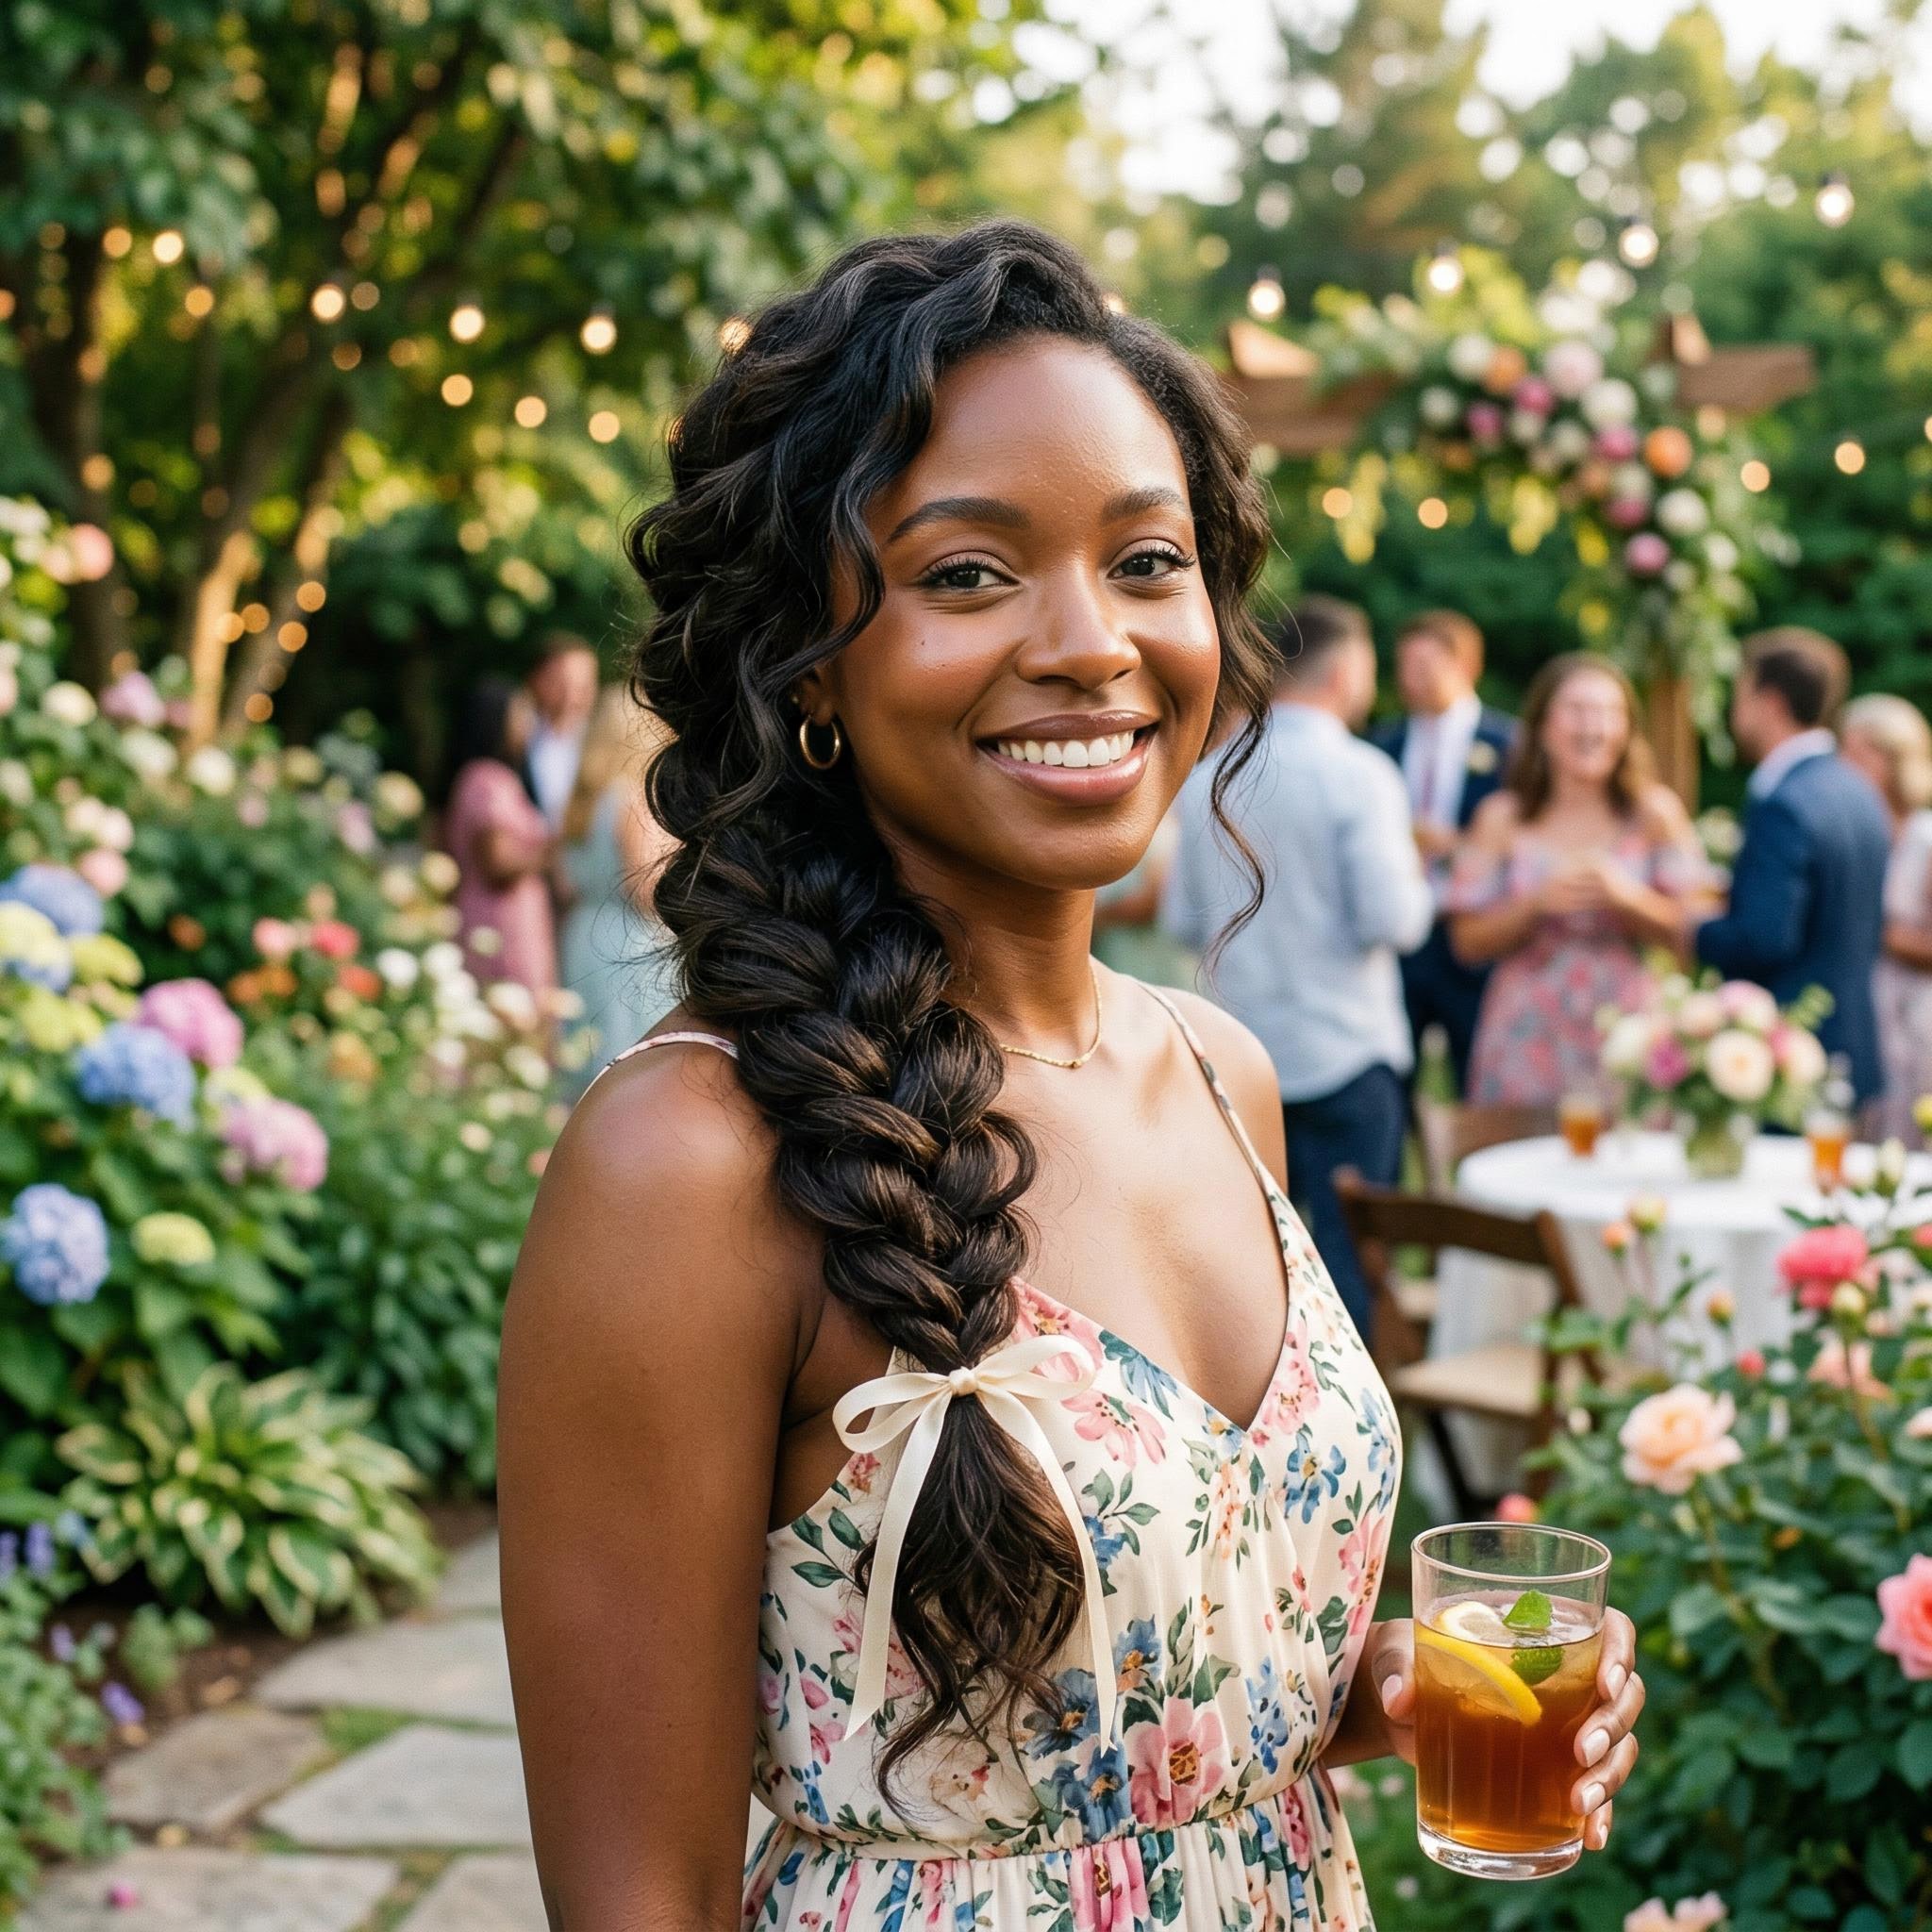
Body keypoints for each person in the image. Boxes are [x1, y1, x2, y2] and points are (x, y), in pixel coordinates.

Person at [495, 223, 1641, 1930]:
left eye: (1146, 559)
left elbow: (1125, 1702)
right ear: (809, 665)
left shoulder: (1220, 1074)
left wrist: (1380, 1683)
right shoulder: (687, 1163)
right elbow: (634, 1900)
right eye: (968, 572)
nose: (1089, 641)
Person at [1164, 595, 1432, 1338]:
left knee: (1253, 1266)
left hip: (1237, 1057)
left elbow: (1180, 920)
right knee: (1351, 1263)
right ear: (1345, 670)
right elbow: (1394, 920)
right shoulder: (1361, 773)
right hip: (1347, 1051)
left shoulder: (1207, 776)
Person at [1446, 654, 1711, 1108]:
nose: (1594, 727)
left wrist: (1628, 899)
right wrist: (1534, 904)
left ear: (1627, 731)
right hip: (1526, 1032)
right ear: (1544, 727)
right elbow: (1465, 943)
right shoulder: (1501, 818)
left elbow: (1702, 932)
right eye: (1577, 711)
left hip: (1627, 1032)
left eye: (1610, 713)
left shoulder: (1655, 814)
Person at [1695, 628, 1891, 1106]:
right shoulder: (1859, 789)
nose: (1734, 709)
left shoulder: (1783, 802)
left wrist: (1687, 929)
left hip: (1789, 1063)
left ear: (1770, 701)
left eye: (1740, 693)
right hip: (1856, 1046)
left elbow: (1764, 939)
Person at [1371, 609, 1516, 1093]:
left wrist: (1453, 844)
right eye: (1405, 665)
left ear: (1466, 666)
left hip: (1474, 937)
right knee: (1396, 1084)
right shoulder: (1382, 744)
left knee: (1477, 1079)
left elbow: (1524, 840)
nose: (1413, 678)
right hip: (1403, 936)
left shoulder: (1510, 745)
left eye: (1427, 664)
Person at [557, 688, 680, 1098]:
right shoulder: (630, 799)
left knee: (587, 1048)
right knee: (629, 1058)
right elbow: (646, 890)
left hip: (585, 932)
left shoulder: (581, 803)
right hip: (628, 941)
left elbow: (565, 880)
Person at [1840, 692, 1932, 1134]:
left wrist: (1876, 929)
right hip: (1864, 1011)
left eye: (1854, 752)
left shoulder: (1925, 838)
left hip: (1918, 1020)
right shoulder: (1851, 833)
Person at [441, 678, 557, 993]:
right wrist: (553, 849)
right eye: (521, 712)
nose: (529, 722)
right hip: (502, 924)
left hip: (503, 917)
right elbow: (498, 862)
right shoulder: (488, 780)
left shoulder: (483, 777)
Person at [1090, 808, 1194, 987]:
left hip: (1156, 965)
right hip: (1116, 959)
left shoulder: (1161, 831)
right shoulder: (1100, 836)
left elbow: (1152, 899)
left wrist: (1095, 916)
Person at [522, 634, 600, 829]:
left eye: (583, 687)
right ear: (537, 681)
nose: (571, 697)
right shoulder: (517, 737)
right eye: (562, 684)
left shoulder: (604, 745)